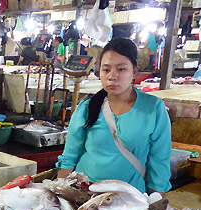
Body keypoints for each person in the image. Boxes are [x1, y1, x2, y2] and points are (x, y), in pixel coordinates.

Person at [56, 38, 171, 194]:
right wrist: (58, 193)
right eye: (106, 69)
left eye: (121, 69)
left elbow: (160, 161)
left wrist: (157, 202)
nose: (112, 76)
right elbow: (69, 157)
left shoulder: (153, 108)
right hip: (85, 195)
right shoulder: (87, 108)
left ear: (134, 72)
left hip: (129, 199)